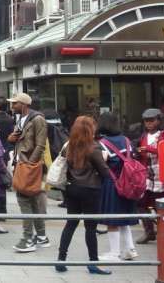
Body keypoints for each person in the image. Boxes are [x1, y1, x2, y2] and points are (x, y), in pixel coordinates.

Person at [55, 116, 112, 275]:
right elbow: (104, 172)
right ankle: (92, 263)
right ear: (89, 129)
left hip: (72, 189)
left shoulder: (69, 146)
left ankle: (61, 259)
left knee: (70, 224)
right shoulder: (93, 148)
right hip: (90, 190)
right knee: (90, 227)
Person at [7, 92, 50, 252]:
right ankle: (41, 236)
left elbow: (40, 145)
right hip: (23, 164)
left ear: (24, 104)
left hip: (30, 166)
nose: (12, 106)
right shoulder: (21, 119)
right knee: (33, 201)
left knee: (24, 199)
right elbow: (20, 140)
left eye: (15, 103)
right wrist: (11, 138)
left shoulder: (38, 119)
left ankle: (27, 238)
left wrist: (31, 164)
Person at [97, 112, 139, 261]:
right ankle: (130, 249)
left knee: (112, 219)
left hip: (112, 184)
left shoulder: (103, 143)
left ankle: (114, 253)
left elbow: (101, 165)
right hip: (128, 183)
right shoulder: (127, 140)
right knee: (124, 218)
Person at [136, 108, 164, 245]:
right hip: (147, 175)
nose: (148, 123)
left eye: (151, 120)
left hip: (162, 176)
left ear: (159, 120)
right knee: (141, 204)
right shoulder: (143, 136)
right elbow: (141, 154)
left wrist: (149, 149)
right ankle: (149, 231)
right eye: (146, 120)